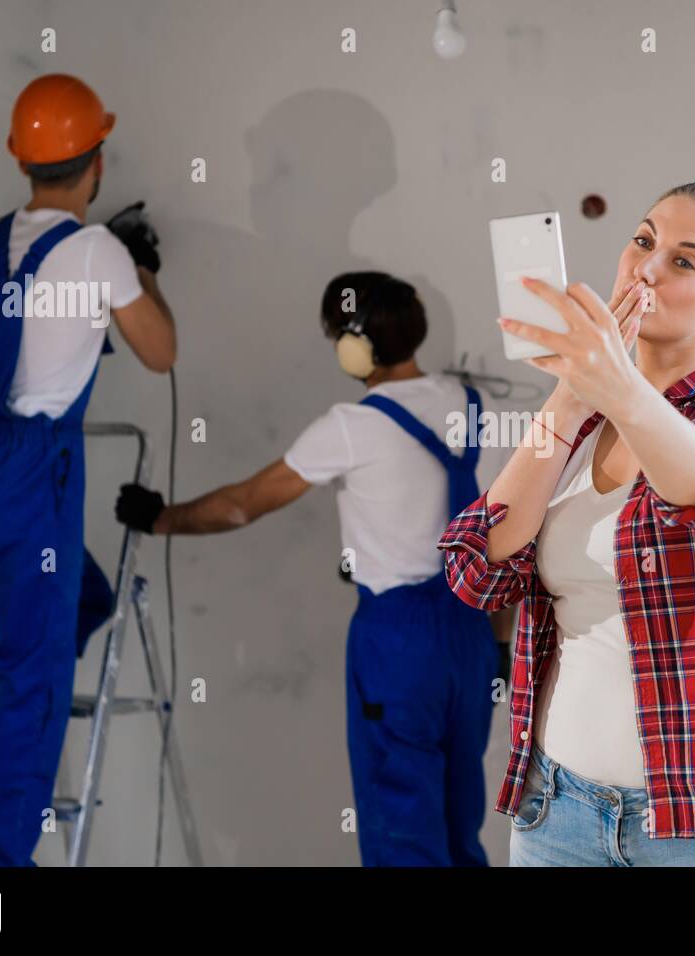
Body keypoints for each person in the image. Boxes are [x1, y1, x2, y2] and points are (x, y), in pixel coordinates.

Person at [439, 179, 695, 866]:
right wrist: (566, 396)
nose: (645, 268)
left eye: (683, 260)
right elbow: (477, 565)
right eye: (643, 241)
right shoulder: (579, 420)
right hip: (557, 814)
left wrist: (618, 384)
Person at [114, 271, 499, 866]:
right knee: (458, 823)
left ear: (353, 346)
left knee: (401, 826)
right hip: (473, 632)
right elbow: (508, 529)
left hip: (398, 641)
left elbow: (244, 504)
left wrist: (163, 517)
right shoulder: (472, 404)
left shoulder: (353, 425)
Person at [0, 74, 177, 866]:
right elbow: (161, 350)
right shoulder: (99, 252)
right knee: (37, 676)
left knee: (84, 596)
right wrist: (138, 271)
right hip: (33, 473)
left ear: (22, 160)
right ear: (96, 162)